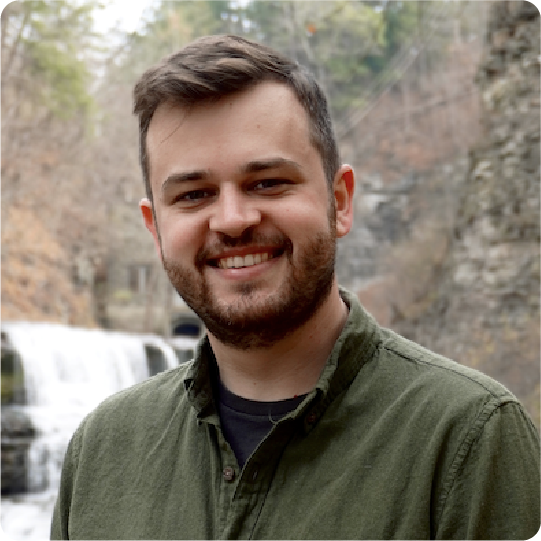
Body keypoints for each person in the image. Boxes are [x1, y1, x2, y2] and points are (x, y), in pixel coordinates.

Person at [51, 34, 541, 541]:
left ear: (340, 201)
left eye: (268, 183)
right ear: (155, 229)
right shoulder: (101, 452)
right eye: (194, 195)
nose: (234, 220)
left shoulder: (469, 441)